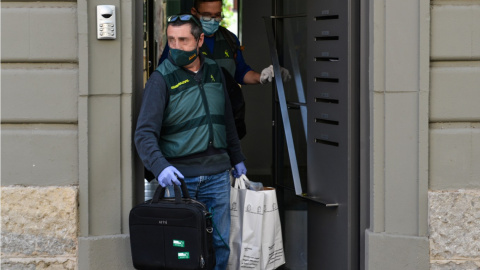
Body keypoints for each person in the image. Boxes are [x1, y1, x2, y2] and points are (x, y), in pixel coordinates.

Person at [135, 14, 247, 270]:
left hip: (218, 176)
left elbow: (227, 120)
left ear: (199, 40)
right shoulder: (161, 79)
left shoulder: (215, 72)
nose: (176, 47)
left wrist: (237, 157)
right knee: (181, 248)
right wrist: (160, 166)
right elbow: (144, 133)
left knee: (220, 245)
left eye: (183, 40)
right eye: (171, 40)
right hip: (179, 178)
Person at [158, 0, 291, 86]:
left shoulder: (229, 40)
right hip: (192, 115)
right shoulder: (180, 40)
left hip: (225, 115)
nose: (213, 20)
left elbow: (240, 73)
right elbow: (163, 78)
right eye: (207, 15)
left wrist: (262, 76)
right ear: (194, 12)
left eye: (217, 15)